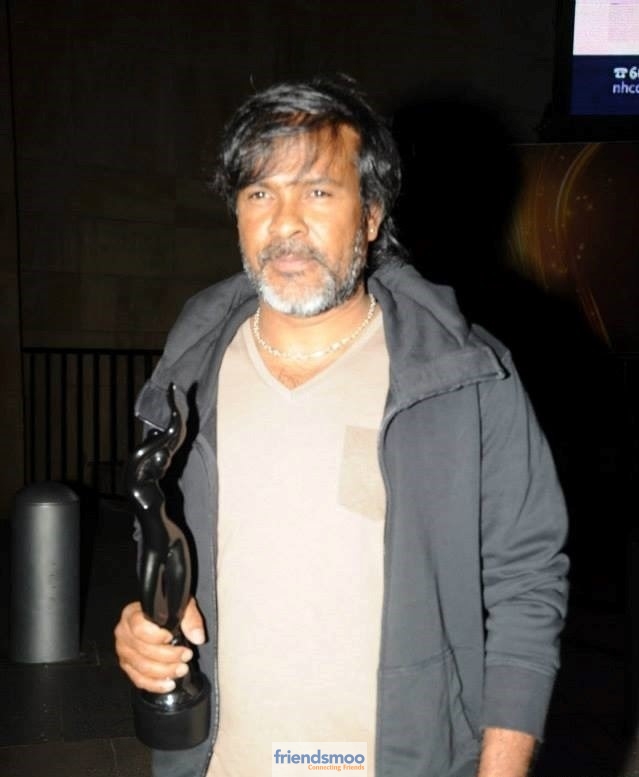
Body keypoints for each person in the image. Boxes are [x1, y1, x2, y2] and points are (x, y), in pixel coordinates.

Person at [114, 74, 569, 777]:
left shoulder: (466, 375)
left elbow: (527, 580)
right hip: (221, 759)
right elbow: (164, 543)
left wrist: (501, 767)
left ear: (371, 215)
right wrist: (144, 626)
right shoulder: (189, 367)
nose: (285, 223)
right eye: (259, 193)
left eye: (318, 192)